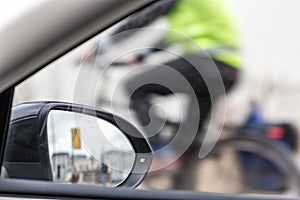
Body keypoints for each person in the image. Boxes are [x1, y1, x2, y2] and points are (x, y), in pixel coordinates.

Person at [83, 0, 242, 189]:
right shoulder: (197, 11)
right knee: (187, 144)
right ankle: (181, 184)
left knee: (135, 86)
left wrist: (103, 45)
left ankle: (160, 152)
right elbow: (172, 37)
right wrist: (141, 56)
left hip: (207, 63)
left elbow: (144, 17)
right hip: (229, 69)